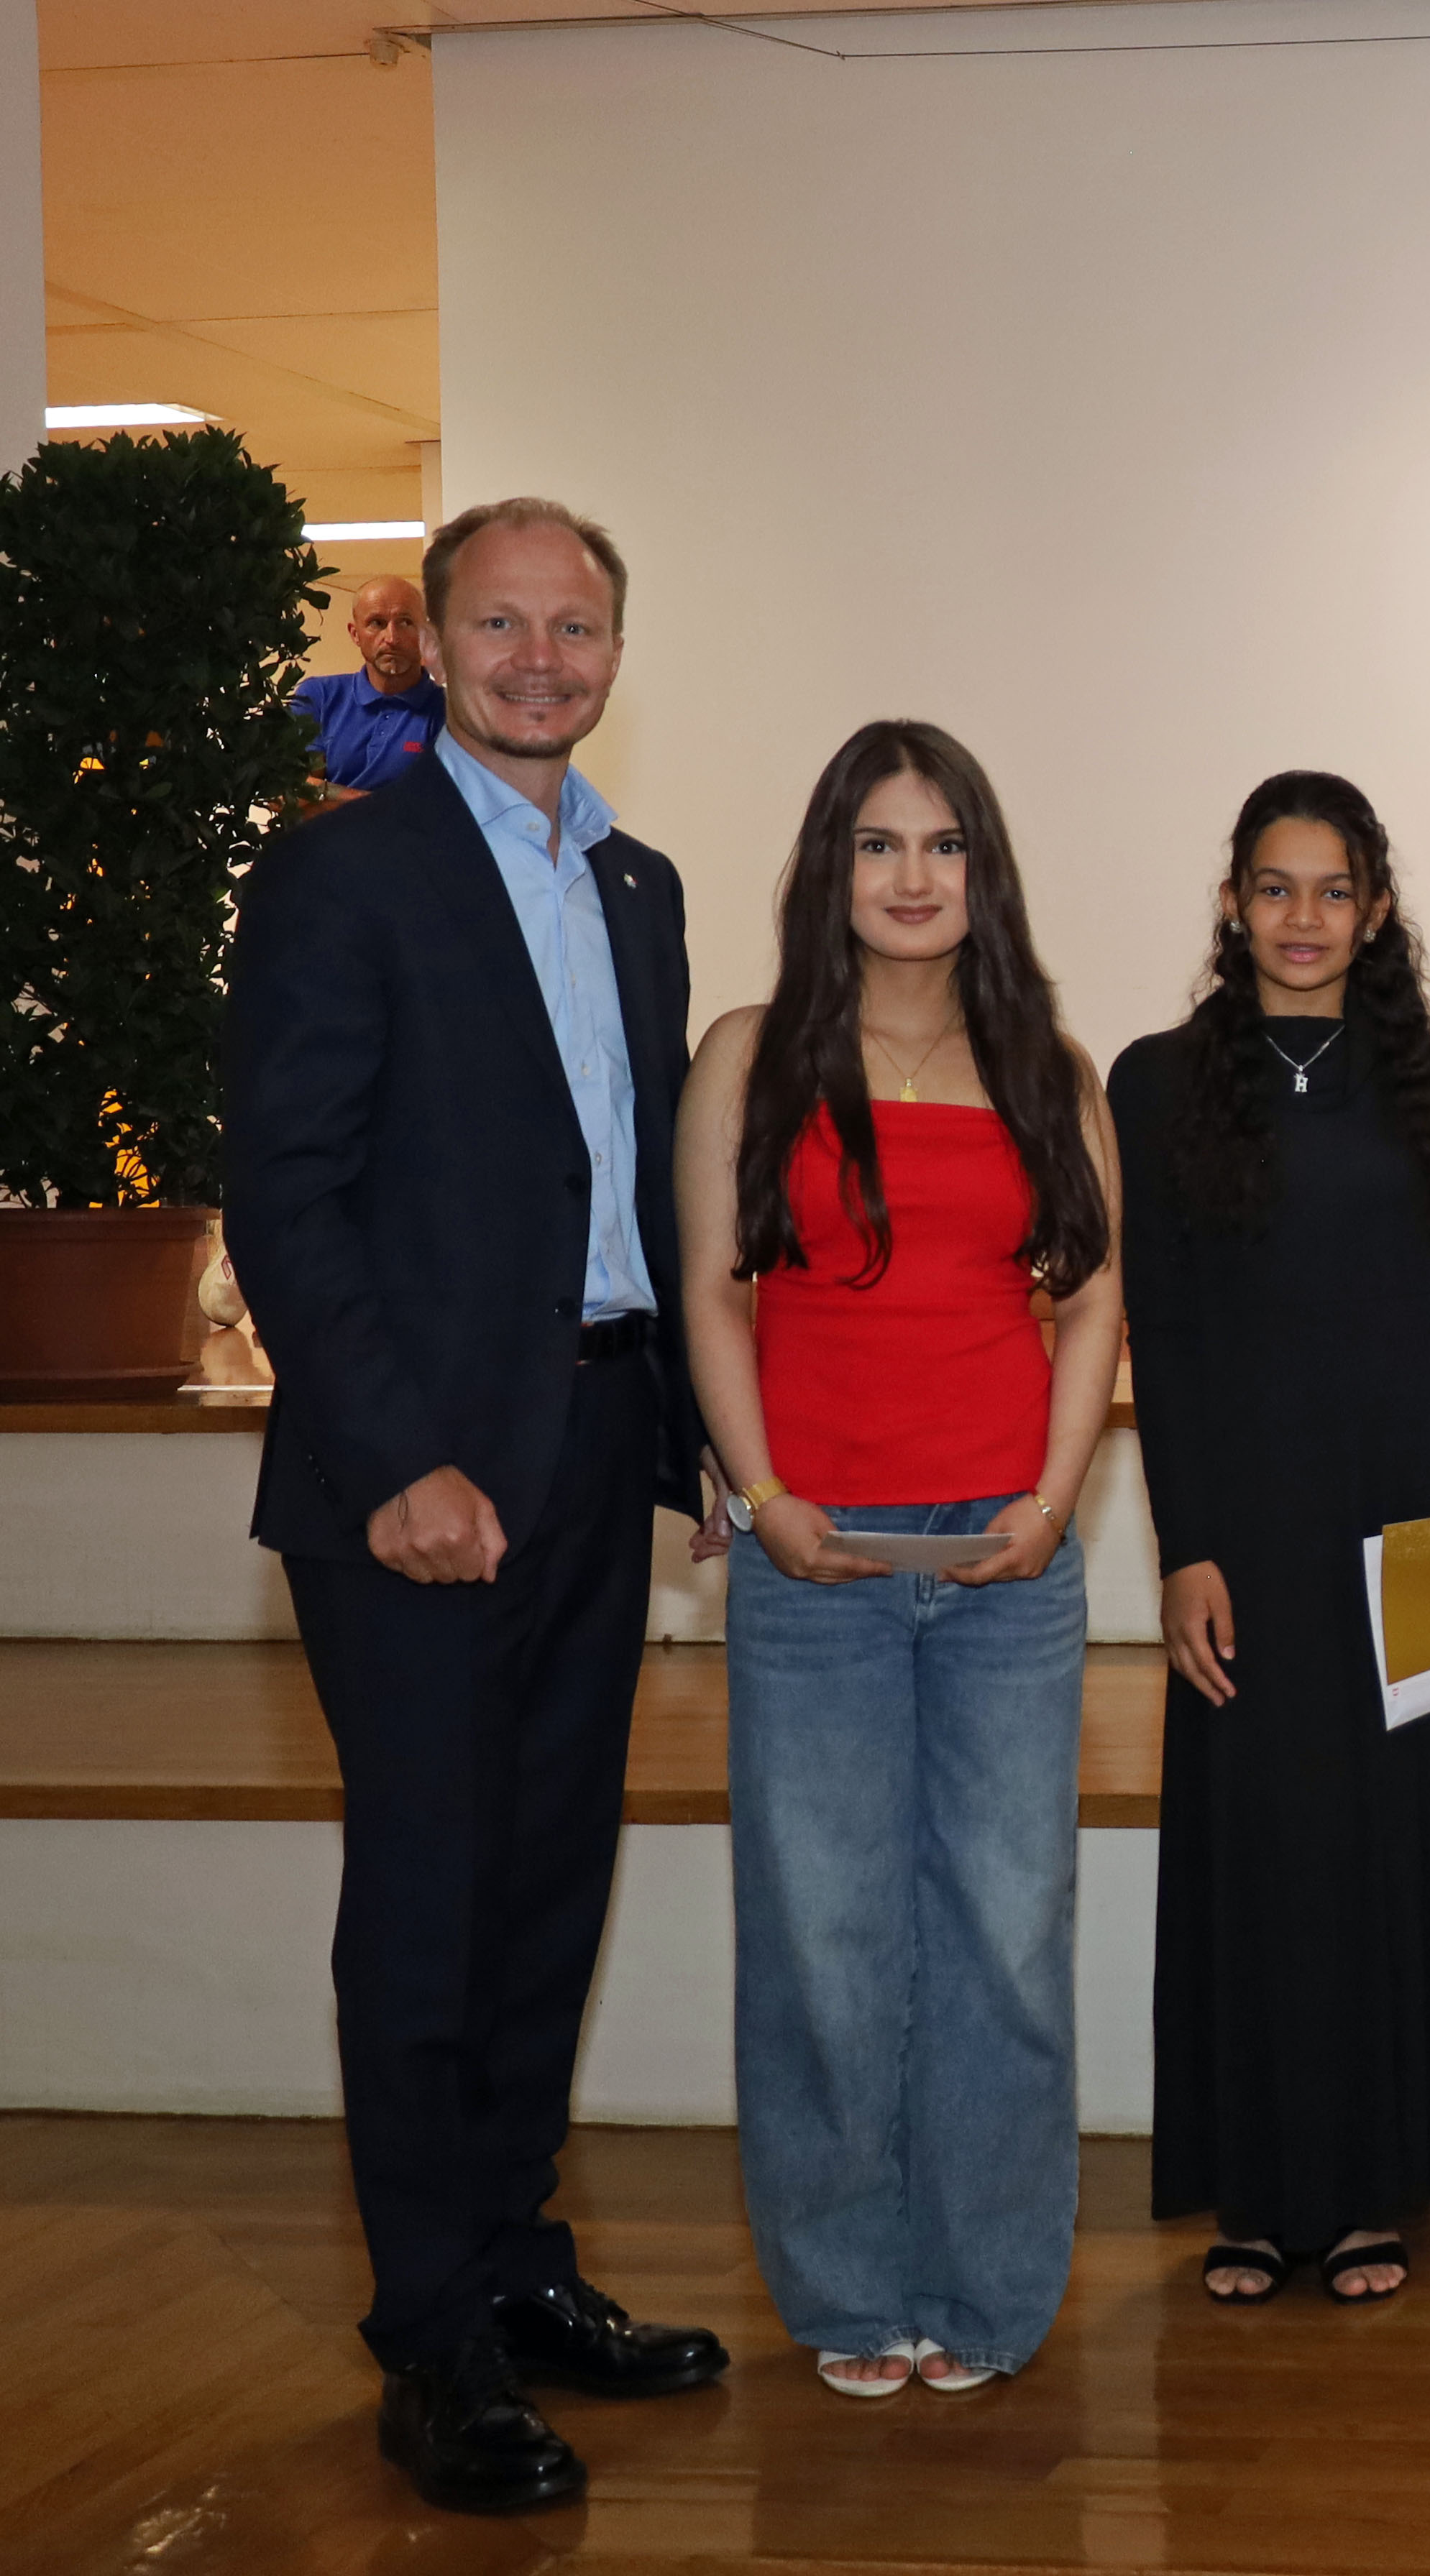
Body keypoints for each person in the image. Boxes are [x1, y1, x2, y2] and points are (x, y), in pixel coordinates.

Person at [222, 497, 727, 2514]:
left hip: (599, 1446)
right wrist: (393, 1461)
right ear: (431, 644)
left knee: (544, 1892)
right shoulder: (342, 874)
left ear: (614, 649)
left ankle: (518, 2269)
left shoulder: (637, 883)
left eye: (574, 626)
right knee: (431, 1907)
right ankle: (430, 2336)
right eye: (501, 624)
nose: (540, 658)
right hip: (417, 1481)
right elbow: (285, 1193)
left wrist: (695, 1440)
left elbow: (640, 1186)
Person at [673, 719, 1122, 2395]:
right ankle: (853, 2292)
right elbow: (714, 1290)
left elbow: (1094, 1301)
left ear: (982, 871)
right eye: (878, 844)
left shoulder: (1048, 1068)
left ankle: (988, 2289)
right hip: (816, 1560)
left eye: (942, 845)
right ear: (831, 869)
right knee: (823, 1935)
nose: (911, 876)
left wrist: (1054, 1500)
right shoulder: (751, 1053)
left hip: (1007, 1561)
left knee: (1007, 1934)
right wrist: (759, 1490)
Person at [1114, 771, 1430, 2308]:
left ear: (1373, 911)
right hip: (1254, 1526)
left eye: (1331, 890)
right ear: (1233, 903)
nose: (1301, 917)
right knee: (1267, 1849)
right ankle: (1260, 2194)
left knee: (1399, 1849)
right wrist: (1185, 1543)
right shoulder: (1159, 1082)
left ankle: (1374, 2188)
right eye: (1274, 886)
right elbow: (1165, 1333)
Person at [293, 574, 446, 799]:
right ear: (355, 634)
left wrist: (326, 793)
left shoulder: (452, 712)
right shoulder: (319, 696)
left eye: (405, 622)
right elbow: (292, 792)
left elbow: (442, 808)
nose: (392, 638)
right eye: (377, 623)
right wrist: (374, 805)